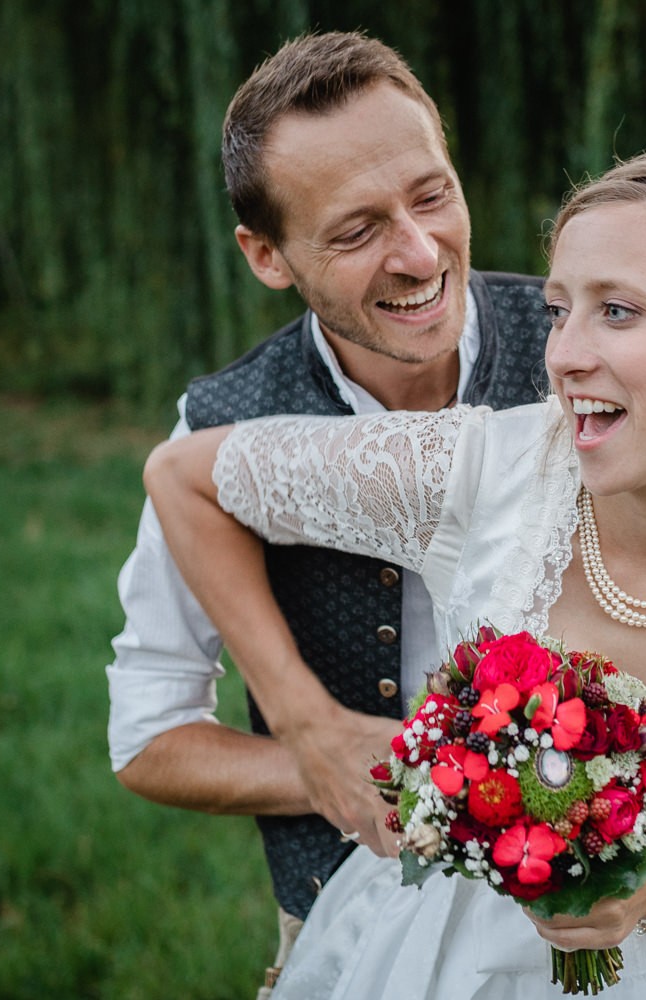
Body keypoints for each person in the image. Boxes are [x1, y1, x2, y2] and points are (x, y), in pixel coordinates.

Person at [144, 152, 646, 998]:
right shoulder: (482, 469)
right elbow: (182, 477)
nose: (565, 355)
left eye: (617, 312)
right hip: (442, 961)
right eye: (560, 311)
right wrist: (305, 722)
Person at [104, 30, 550, 990]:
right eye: (356, 231)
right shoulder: (219, 426)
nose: (420, 252)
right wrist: (315, 753)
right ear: (266, 255)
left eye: (432, 195)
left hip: (599, 924)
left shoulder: (583, 351)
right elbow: (147, 739)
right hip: (354, 935)